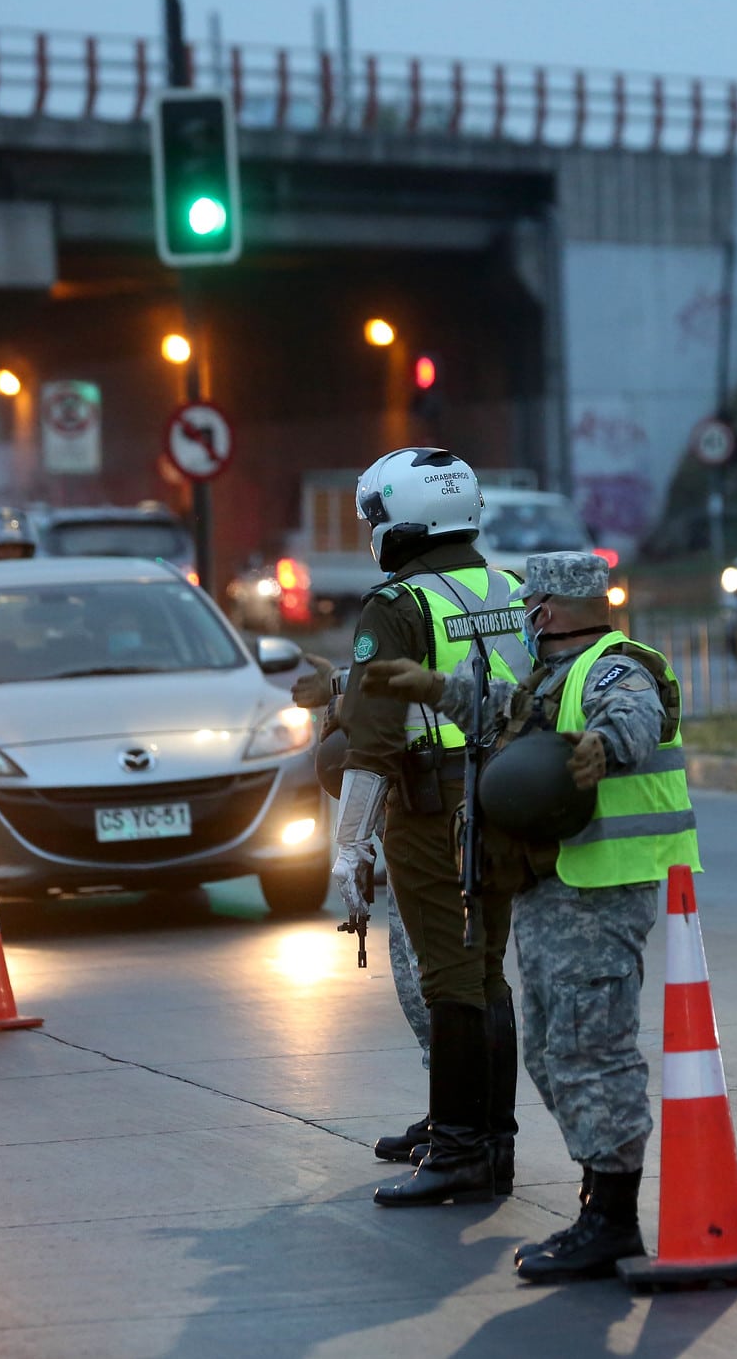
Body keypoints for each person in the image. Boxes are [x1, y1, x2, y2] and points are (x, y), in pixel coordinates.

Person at [362, 550, 696, 1281]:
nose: (522, 614)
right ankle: (597, 1198)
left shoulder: (613, 668)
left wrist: (602, 748)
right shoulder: (551, 677)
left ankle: (611, 1218)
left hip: (601, 890)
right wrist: (431, 688)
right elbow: (502, 710)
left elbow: (634, 716)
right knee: (551, 1047)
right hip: (553, 885)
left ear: (542, 611)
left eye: (528, 603)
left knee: (589, 1048)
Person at [330, 447, 530, 1207]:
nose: (372, 530)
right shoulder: (511, 588)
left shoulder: (399, 604)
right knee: (484, 971)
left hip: (429, 805)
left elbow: (371, 740)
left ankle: (459, 1151)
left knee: (446, 974)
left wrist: (349, 842)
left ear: (402, 520)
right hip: (504, 798)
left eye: (375, 516)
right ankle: (492, 1138)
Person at [293, 658, 437, 1134]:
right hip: (415, 812)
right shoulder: (445, 595)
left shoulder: (412, 598)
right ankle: (450, 1114)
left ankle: (466, 1125)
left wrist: (352, 843)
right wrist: (339, 686)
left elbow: (410, 675)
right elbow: (397, 669)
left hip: (434, 814)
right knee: (420, 981)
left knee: (437, 981)